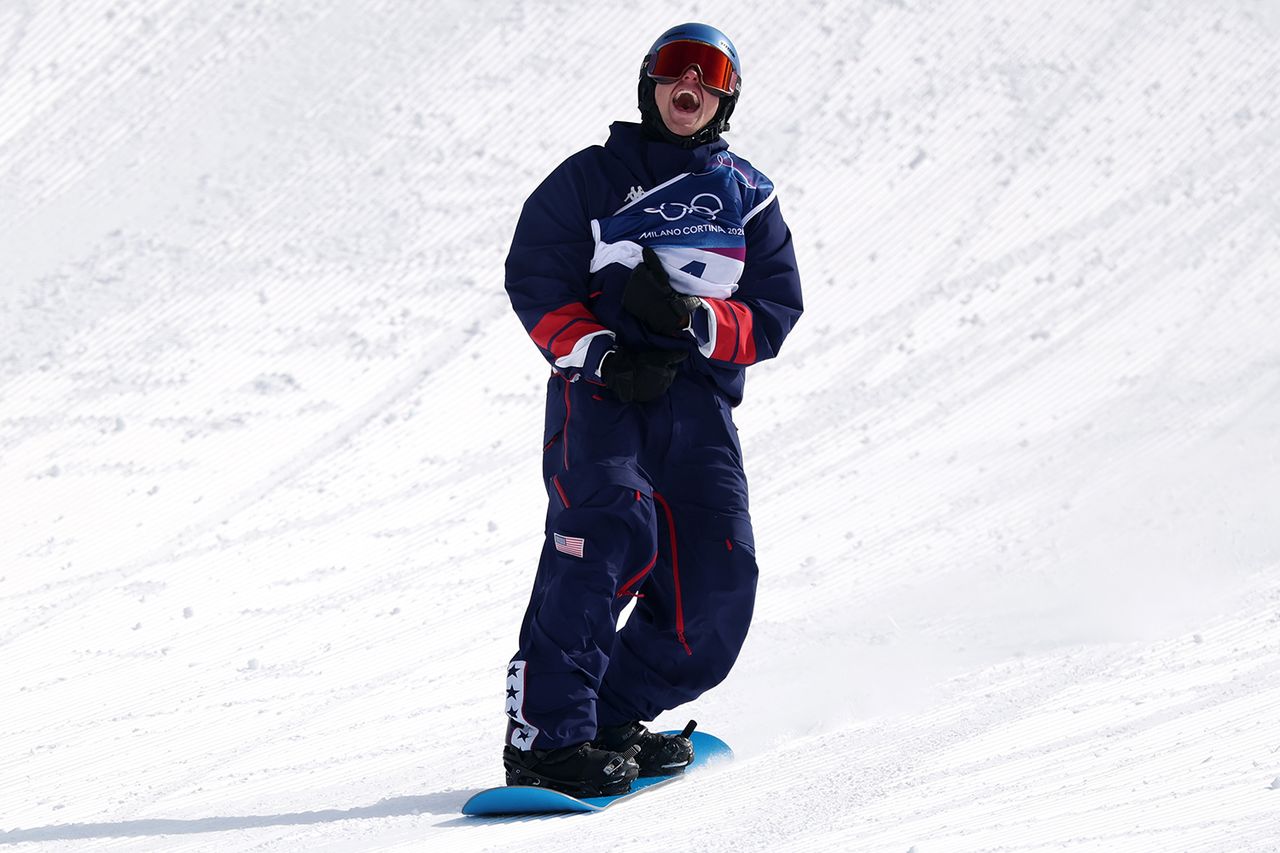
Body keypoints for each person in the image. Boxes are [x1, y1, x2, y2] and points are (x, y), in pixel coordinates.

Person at [501, 22, 803, 797]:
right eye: (675, 70)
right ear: (649, 83)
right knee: (603, 531)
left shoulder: (748, 194)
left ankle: (608, 716)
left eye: (709, 76)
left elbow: (773, 308)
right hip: (602, 397)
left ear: (726, 99)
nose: (689, 86)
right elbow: (536, 276)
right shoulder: (590, 179)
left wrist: (694, 323)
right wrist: (600, 350)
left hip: (695, 407)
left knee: (717, 577)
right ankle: (547, 738)